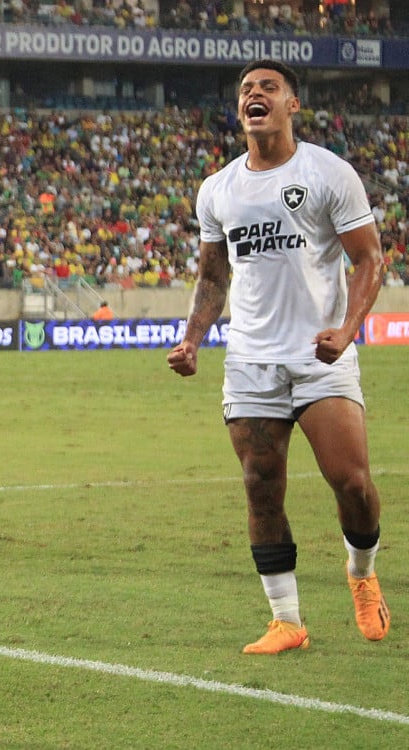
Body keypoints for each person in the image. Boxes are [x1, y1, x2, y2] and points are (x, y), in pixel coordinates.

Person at [166, 60, 388, 655]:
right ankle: (286, 619)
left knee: (352, 481)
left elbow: (370, 259)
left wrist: (346, 330)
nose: (253, 95)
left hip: (320, 355)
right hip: (250, 360)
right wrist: (193, 337)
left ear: (293, 104)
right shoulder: (218, 188)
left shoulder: (328, 173)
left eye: (268, 87)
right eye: (245, 90)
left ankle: (361, 571)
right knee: (259, 483)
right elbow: (213, 275)